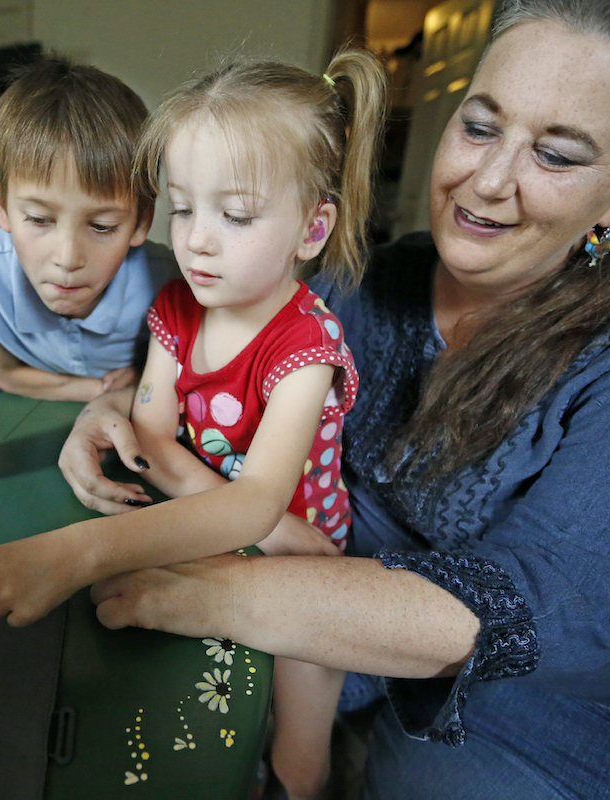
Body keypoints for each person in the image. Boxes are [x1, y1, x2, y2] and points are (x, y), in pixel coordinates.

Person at [62, 1, 610, 798]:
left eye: (557, 155)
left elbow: (541, 608)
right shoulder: (369, 282)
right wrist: (119, 404)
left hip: (558, 707)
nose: (490, 181)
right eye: (479, 127)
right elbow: (225, 361)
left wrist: (224, 596)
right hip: (337, 609)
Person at [125, 52, 383, 800]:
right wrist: (246, 515)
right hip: (247, 530)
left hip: (307, 562)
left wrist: (244, 512)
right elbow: (150, 437)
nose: (198, 239)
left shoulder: (306, 347)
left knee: (297, 754)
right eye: (182, 207)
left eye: (234, 215)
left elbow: (261, 497)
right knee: (212, 714)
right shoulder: (178, 306)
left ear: (311, 229)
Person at [0, 54, 177, 402]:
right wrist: (98, 391)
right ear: (1, 203)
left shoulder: (170, 282)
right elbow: (4, 372)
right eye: (40, 219)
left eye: (102, 226)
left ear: (142, 219)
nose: (68, 259)